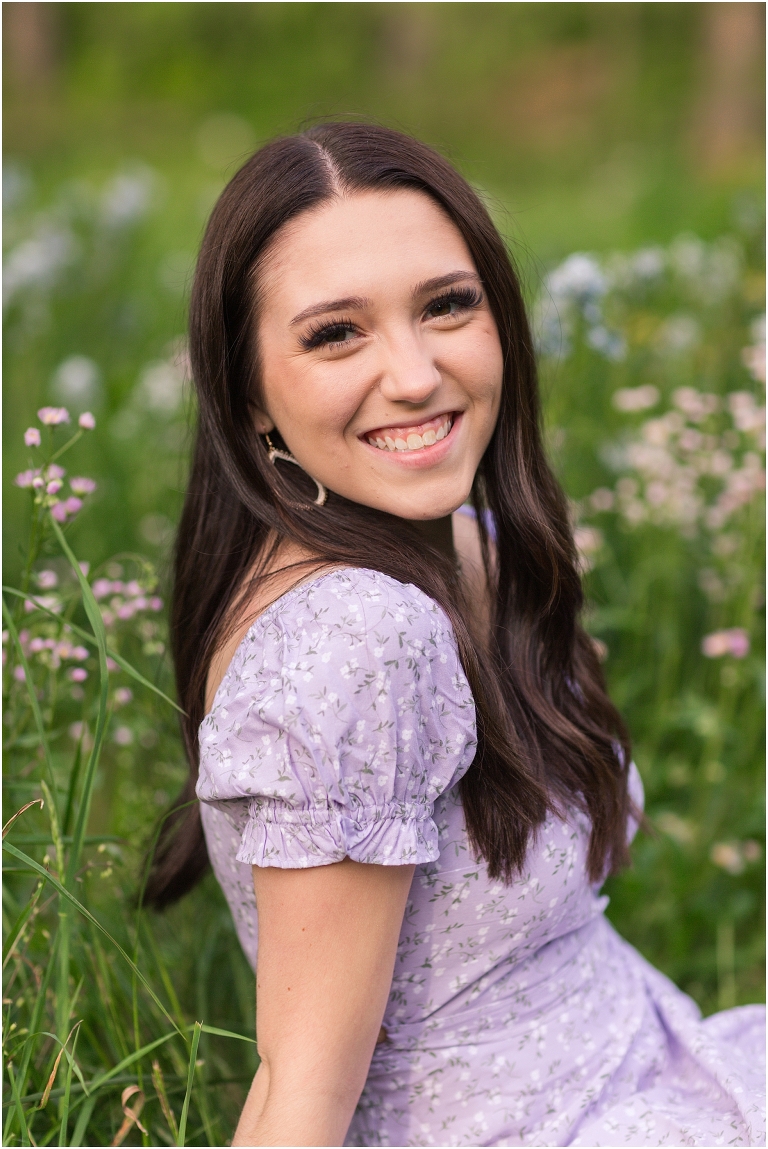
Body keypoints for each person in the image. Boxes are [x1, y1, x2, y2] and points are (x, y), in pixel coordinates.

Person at [144, 122, 765, 1147]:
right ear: (249, 391)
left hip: (647, 1065)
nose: (418, 374)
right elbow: (300, 1094)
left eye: (447, 305)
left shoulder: (464, 544)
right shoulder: (358, 640)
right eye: (336, 333)